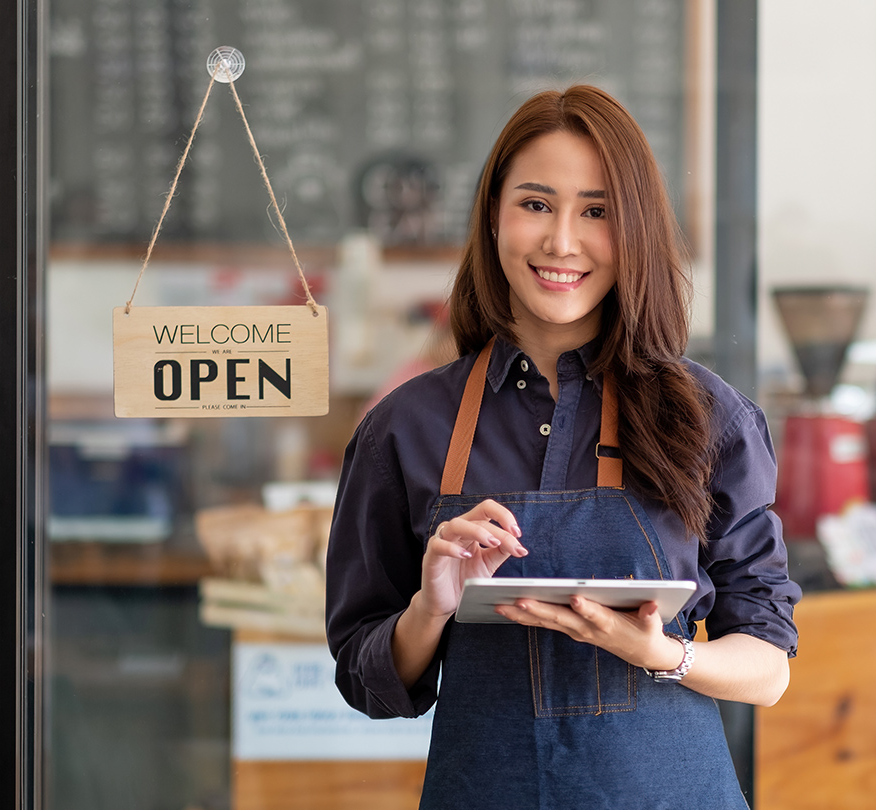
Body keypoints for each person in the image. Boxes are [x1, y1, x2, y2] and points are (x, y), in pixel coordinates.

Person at [325, 85, 800, 809]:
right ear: (492, 217)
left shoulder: (708, 418)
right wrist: (430, 606)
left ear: (634, 228)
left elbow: (768, 669)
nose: (563, 242)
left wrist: (662, 654)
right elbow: (369, 683)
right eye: (536, 204)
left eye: (598, 212)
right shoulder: (406, 428)